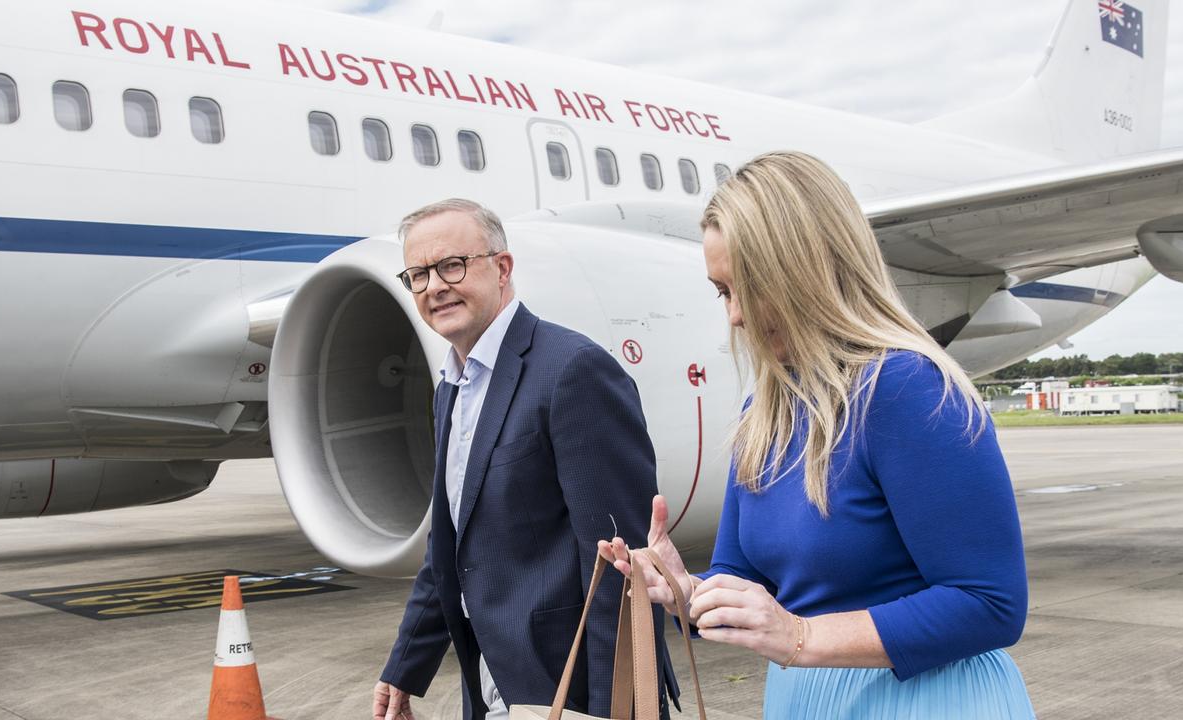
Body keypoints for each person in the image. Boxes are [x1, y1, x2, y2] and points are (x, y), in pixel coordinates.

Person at [601, 152, 1035, 718]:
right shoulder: (767, 407)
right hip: (805, 696)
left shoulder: (903, 387)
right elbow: (742, 575)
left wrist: (799, 638)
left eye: (744, 288)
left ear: (803, 272)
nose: (733, 316)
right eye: (721, 291)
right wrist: (685, 592)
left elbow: (990, 603)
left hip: (925, 698)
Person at [373, 199, 676, 720]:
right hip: (493, 685)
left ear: (503, 268)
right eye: (418, 275)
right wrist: (406, 667)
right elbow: (449, 543)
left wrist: (615, 709)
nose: (435, 287)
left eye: (452, 265)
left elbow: (619, 568)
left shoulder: (572, 371)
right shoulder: (450, 387)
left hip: (570, 688)